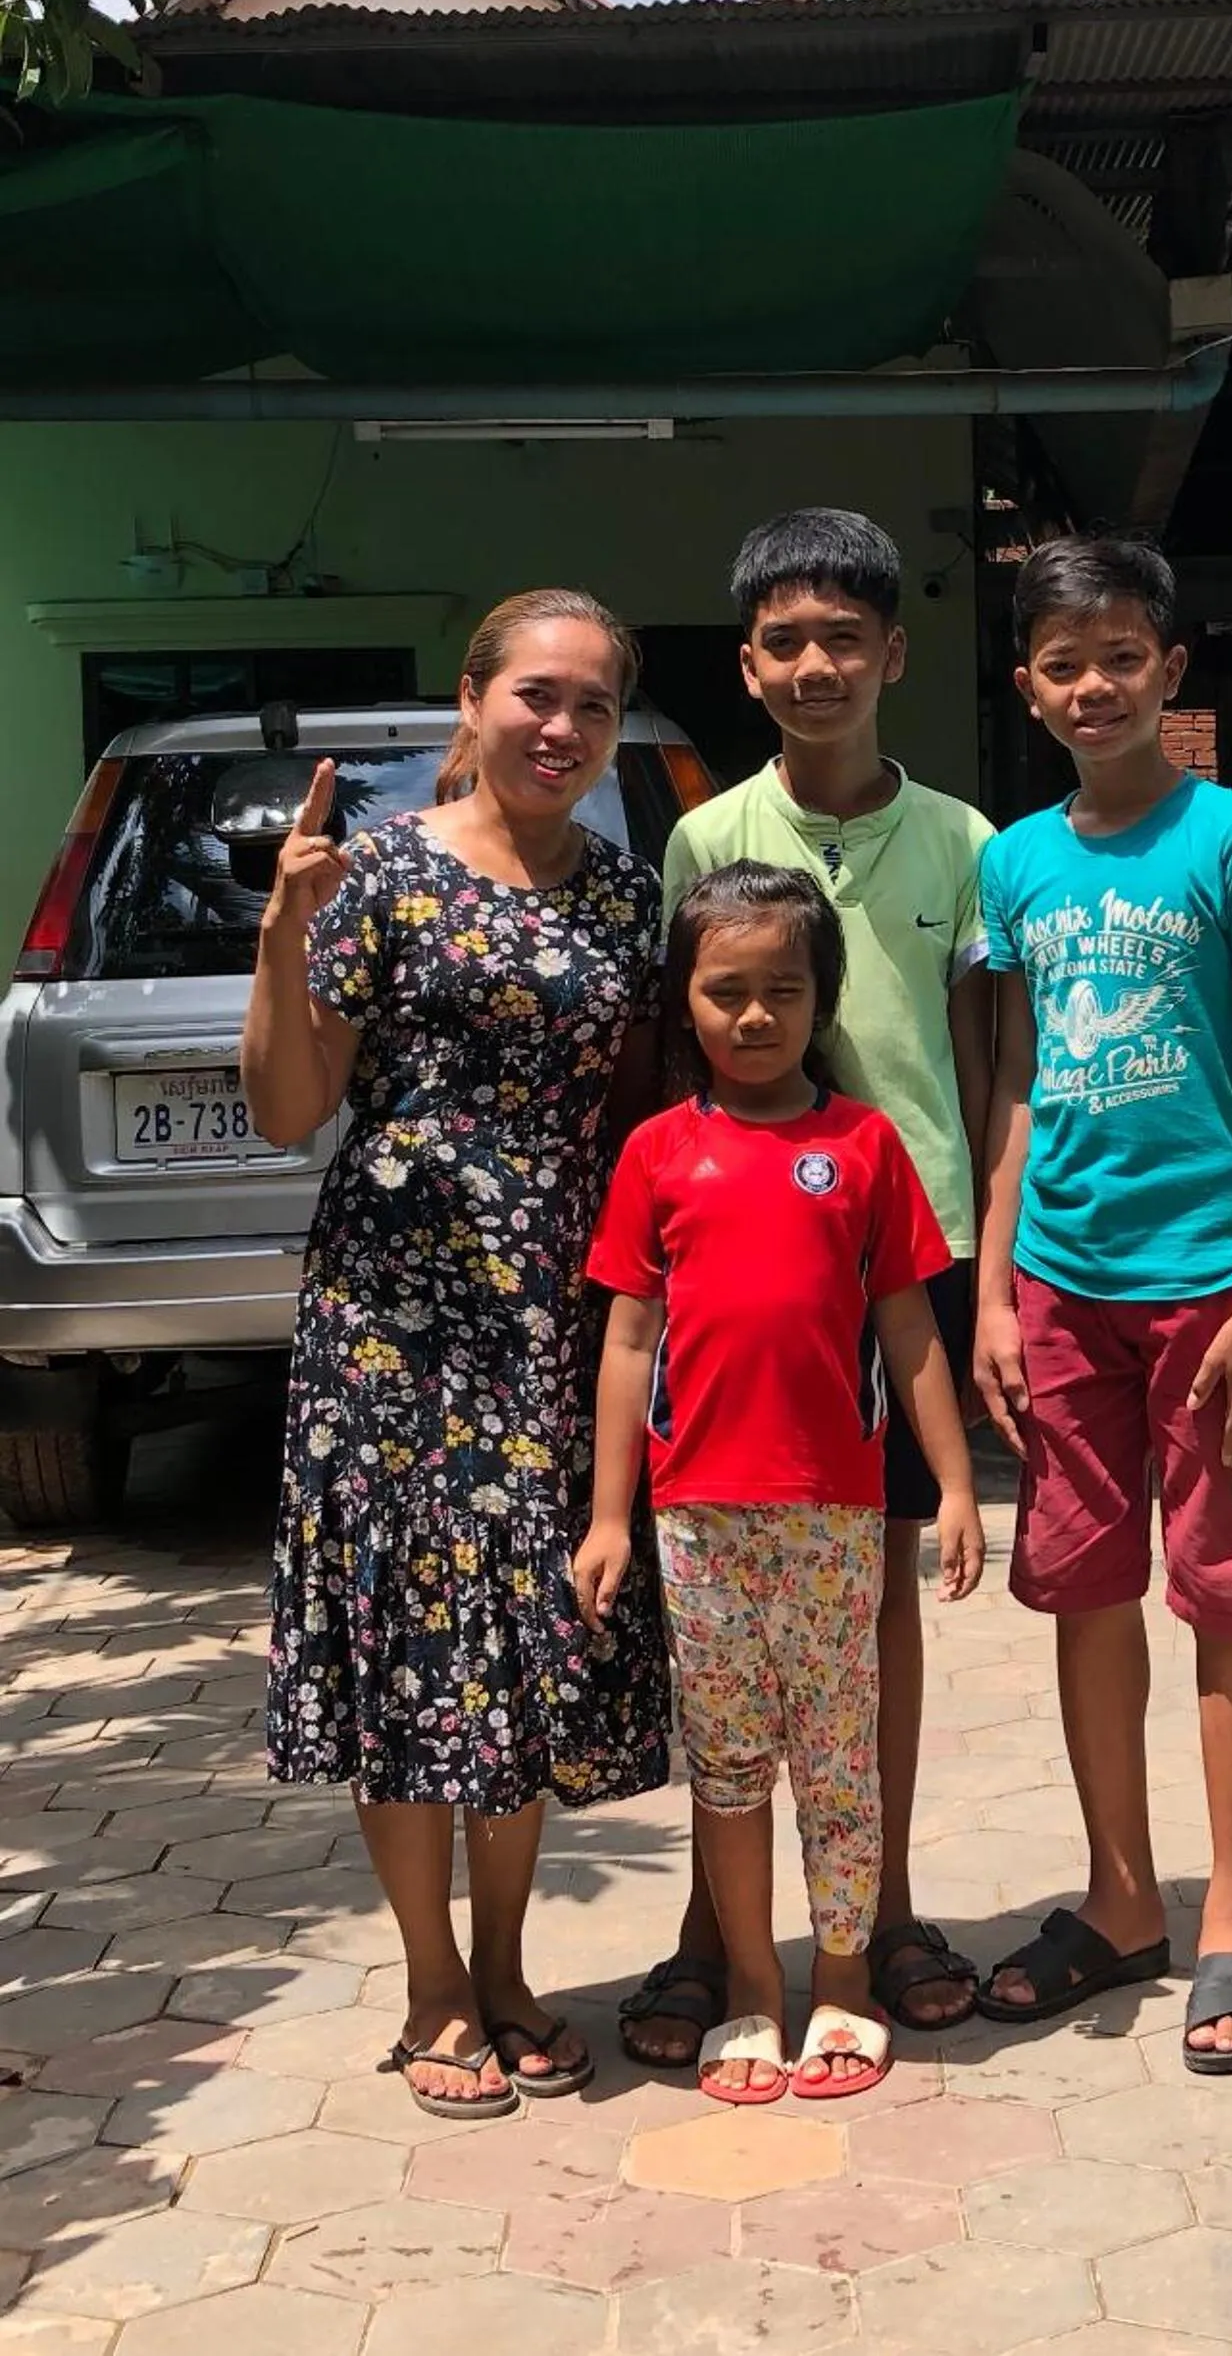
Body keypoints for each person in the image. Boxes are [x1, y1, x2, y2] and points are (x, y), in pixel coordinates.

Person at [245, 589, 669, 2120]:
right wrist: (284, 927)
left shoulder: (625, 900)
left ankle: (508, 1964)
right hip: (391, 1322)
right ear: (474, 700)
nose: (560, 728)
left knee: (527, 1640)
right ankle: (431, 1981)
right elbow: (292, 1109)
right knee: (412, 1646)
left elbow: (635, 1119)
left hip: (554, 1312)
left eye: (593, 706)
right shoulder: (383, 879)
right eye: (534, 696)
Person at [617, 509, 995, 2066]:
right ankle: (719, 1936)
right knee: (726, 1627)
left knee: (875, 1608)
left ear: (894, 653)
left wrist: (1006, 1255)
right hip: (743, 1243)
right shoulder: (708, 839)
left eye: (847, 635)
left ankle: (880, 1911)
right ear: (750, 664)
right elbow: (680, 1030)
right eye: (785, 639)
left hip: (916, 1246)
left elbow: (985, 1058)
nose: (818, 663)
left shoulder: (968, 840)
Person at [972, 534, 1232, 2073]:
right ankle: (1123, 1899)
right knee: (1083, 1587)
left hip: (1207, 1288)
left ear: (1172, 671)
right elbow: (1015, 1085)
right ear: (1029, 687)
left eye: (1122, 654)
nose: (1094, 683)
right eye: (1063, 662)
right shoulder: (1013, 862)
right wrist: (993, 1287)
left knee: (1230, 1598)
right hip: (1061, 1282)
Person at [576, 863, 985, 2105]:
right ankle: (755, 1990)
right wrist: (608, 1514)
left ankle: (845, 1985)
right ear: (686, 1002)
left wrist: (959, 1484)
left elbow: (910, 1330)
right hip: (695, 1515)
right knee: (731, 1762)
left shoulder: (862, 1145)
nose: (754, 1016)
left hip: (834, 1513)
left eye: (784, 991)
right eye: (726, 991)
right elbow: (628, 1341)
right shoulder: (657, 1152)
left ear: (824, 999)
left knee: (839, 1757)